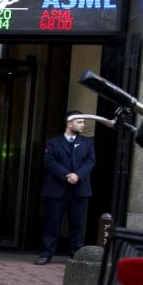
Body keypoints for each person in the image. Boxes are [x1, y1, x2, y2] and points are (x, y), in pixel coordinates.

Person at [36, 110, 96, 265]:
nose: (83, 125)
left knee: (78, 224)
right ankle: (47, 253)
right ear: (70, 124)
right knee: (52, 223)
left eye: (83, 122)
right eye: (80, 122)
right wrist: (67, 175)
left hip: (80, 189)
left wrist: (77, 175)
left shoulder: (87, 142)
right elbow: (49, 162)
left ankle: (76, 255)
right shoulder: (53, 143)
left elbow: (90, 161)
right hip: (56, 189)